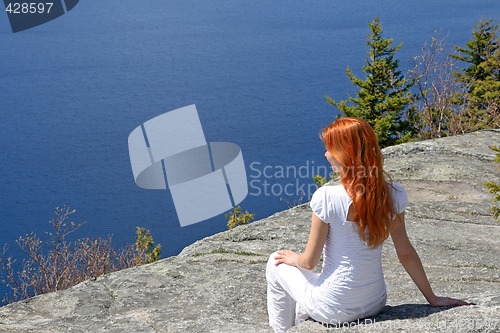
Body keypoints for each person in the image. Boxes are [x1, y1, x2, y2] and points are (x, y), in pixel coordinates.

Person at [266, 117, 469, 333]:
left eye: (329, 149)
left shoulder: (327, 197)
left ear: (345, 154)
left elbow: (308, 263)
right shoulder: (393, 194)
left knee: (275, 261)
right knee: (313, 283)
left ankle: (281, 330)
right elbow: (406, 254)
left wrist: (293, 258)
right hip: (374, 302)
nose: (325, 154)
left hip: (334, 309)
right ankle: (300, 321)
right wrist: (433, 298)